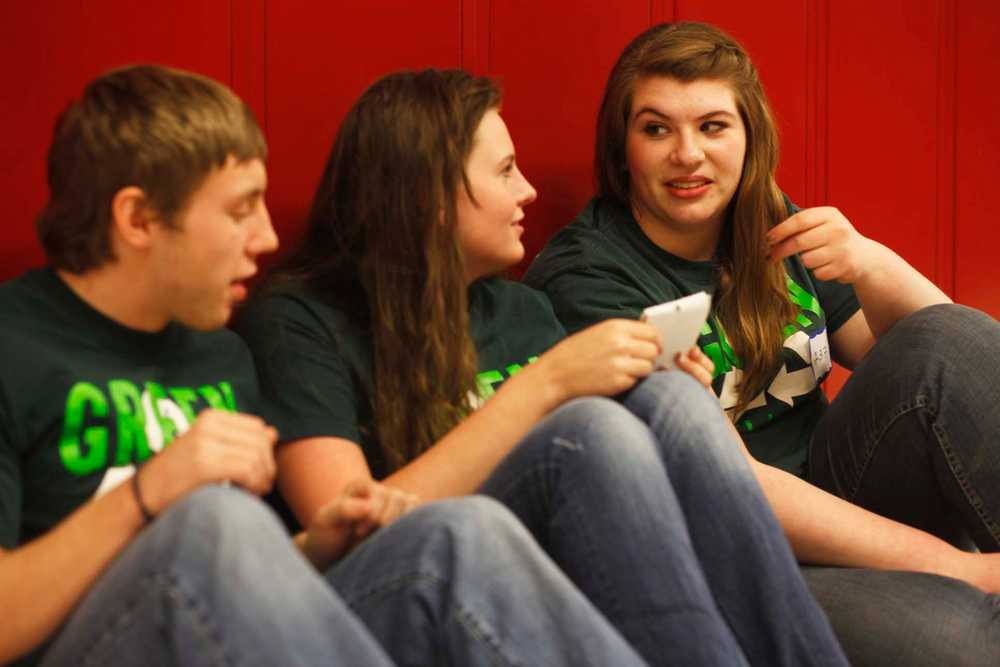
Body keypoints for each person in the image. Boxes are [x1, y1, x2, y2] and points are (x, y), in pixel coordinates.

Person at [0, 64, 653, 667]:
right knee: (212, 519)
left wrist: (315, 547)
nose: (266, 237)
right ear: (139, 218)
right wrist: (151, 493)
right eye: (237, 210)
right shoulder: (16, 343)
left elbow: (234, 594)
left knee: (457, 529)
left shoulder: (218, 355)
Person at [236, 68, 849, 667]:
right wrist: (548, 384)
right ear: (430, 197)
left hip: (553, 577)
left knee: (669, 401)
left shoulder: (521, 310)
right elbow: (349, 526)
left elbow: (594, 493)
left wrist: (652, 391)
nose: (528, 191)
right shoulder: (301, 322)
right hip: (399, 593)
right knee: (576, 441)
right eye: (504, 171)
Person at [523, 21, 1000, 666]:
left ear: (750, 137)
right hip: (734, 551)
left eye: (713, 126)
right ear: (622, 147)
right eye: (657, 128)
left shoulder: (765, 222)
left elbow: (940, 361)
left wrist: (871, 263)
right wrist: (956, 568)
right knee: (965, 636)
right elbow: (725, 481)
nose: (687, 154)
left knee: (950, 334)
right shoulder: (589, 277)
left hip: (841, 502)